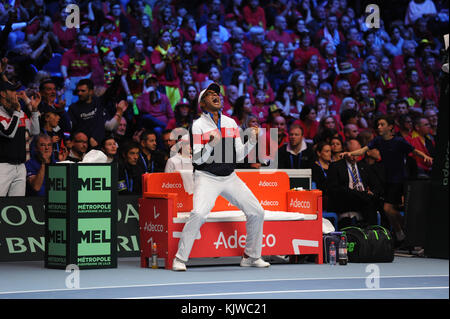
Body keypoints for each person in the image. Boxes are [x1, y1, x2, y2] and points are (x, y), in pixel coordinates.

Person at [172, 82, 269, 271]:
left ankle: (251, 256)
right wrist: (210, 144)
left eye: (217, 93)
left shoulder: (230, 123)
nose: (216, 96)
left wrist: (253, 140)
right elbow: (198, 160)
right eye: (210, 94)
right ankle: (179, 259)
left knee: (257, 211)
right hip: (206, 177)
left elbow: (239, 156)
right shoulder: (198, 125)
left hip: (229, 177)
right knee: (199, 213)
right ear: (203, 103)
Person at [339, 115, 433, 243]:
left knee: (388, 209)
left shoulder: (399, 141)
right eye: (378, 125)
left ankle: (403, 232)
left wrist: (426, 157)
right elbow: (363, 150)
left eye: (382, 124)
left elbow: (414, 151)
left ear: (390, 127)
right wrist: (349, 153)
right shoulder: (378, 140)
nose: (379, 127)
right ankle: (404, 231)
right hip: (386, 180)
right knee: (387, 210)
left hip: (399, 180)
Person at [328, 138, 384, 227]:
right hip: (347, 199)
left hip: (364, 198)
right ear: (345, 152)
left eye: (357, 153)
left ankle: (377, 233)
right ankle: (371, 231)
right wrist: (360, 194)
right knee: (366, 200)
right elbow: (335, 189)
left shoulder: (365, 167)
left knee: (377, 201)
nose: (354, 156)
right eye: (352, 153)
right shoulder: (335, 166)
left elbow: (376, 185)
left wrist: (372, 192)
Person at [0, 80, 40, 196]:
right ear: (3, 93)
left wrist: (35, 111)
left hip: (21, 166)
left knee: (17, 204)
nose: (16, 94)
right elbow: (9, 133)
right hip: (3, 166)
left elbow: (35, 131)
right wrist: (17, 113)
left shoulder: (20, 113)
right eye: (12, 91)